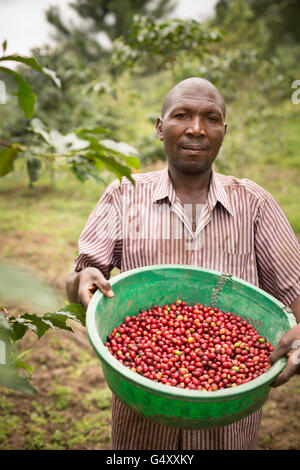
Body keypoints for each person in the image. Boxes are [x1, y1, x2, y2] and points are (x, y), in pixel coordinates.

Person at [66, 77, 300, 450]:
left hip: (228, 418)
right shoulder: (123, 195)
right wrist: (81, 279)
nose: (196, 129)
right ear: (160, 128)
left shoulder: (254, 204)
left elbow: (295, 292)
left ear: (224, 131)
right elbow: (81, 276)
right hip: (142, 410)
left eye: (211, 118)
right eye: (182, 115)